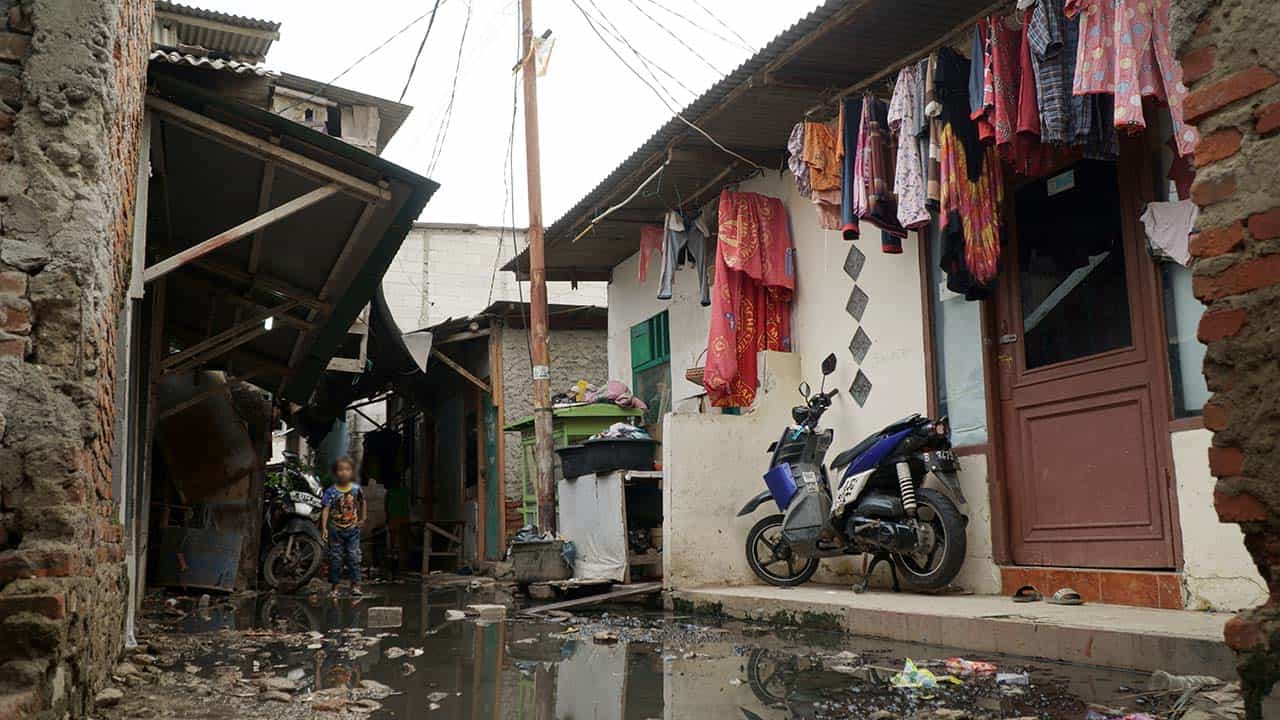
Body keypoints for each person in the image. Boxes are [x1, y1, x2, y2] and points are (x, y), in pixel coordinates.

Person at [320, 456, 367, 597]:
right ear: (335, 473)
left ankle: (356, 586)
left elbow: (362, 502)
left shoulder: (356, 489)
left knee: (354, 557)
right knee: (335, 558)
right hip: (335, 530)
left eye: (347, 469)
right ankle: (334, 588)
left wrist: (364, 518)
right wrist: (324, 528)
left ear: (352, 472)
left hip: (353, 529)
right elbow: (326, 509)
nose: (344, 472)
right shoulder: (331, 491)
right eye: (340, 470)